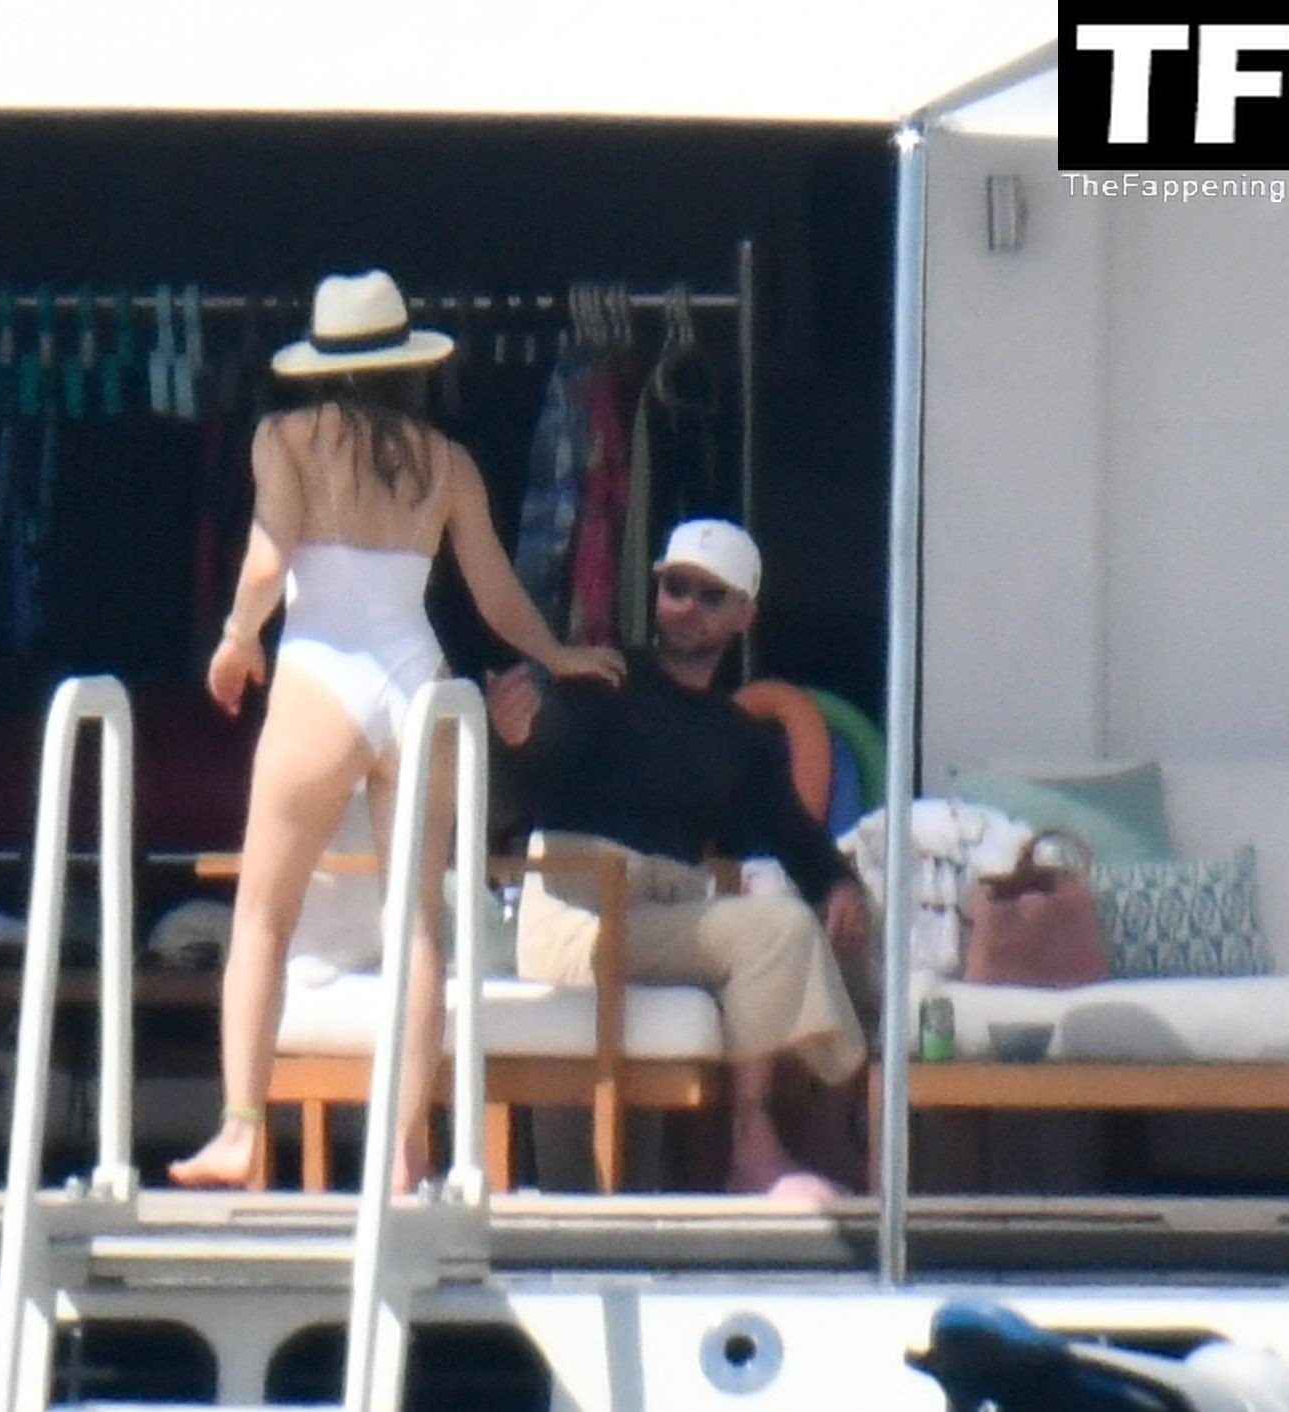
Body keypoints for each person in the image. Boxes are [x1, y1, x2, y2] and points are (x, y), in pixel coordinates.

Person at [169, 270, 625, 1191]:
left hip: (321, 672)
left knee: (262, 916)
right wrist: (559, 653)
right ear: (409, 365)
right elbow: (494, 592)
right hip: (418, 678)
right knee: (417, 926)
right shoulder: (447, 462)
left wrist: (237, 638)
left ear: (320, 365)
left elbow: (267, 558)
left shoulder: (286, 438)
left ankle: (242, 1128)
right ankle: (403, 1147)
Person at [486, 518, 872, 1198]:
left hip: (665, 920)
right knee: (777, 929)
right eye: (676, 588)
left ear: (744, 614)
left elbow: (792, 834)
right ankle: (756, 1145)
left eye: (709, 595)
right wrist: (519, 734)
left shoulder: (737, 736)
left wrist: (839, 883)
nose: (687, 606)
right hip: (584, 917)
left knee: (836, 930)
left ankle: (839, 1134)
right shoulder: (601, 678)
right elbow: (532, 767)